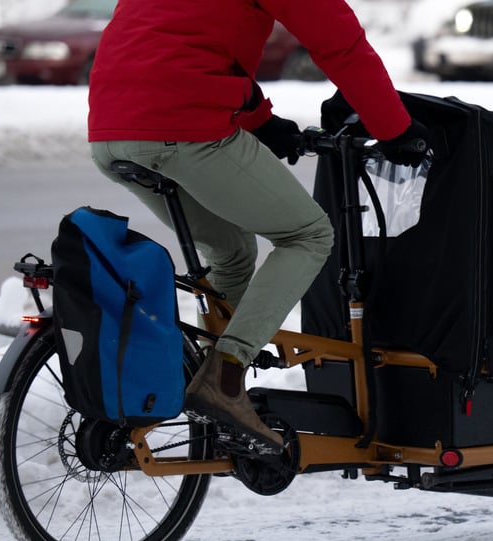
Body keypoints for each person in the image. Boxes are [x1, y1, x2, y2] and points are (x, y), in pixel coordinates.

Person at [87, 0, 428, 455]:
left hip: (112, 131)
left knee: (231, 252)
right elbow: (340, 45)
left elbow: (184, 47)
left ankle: (212, 385)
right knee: (307, 235)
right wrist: (395, 129)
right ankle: (225, 376)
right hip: (182, 127)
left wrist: (262, 123)